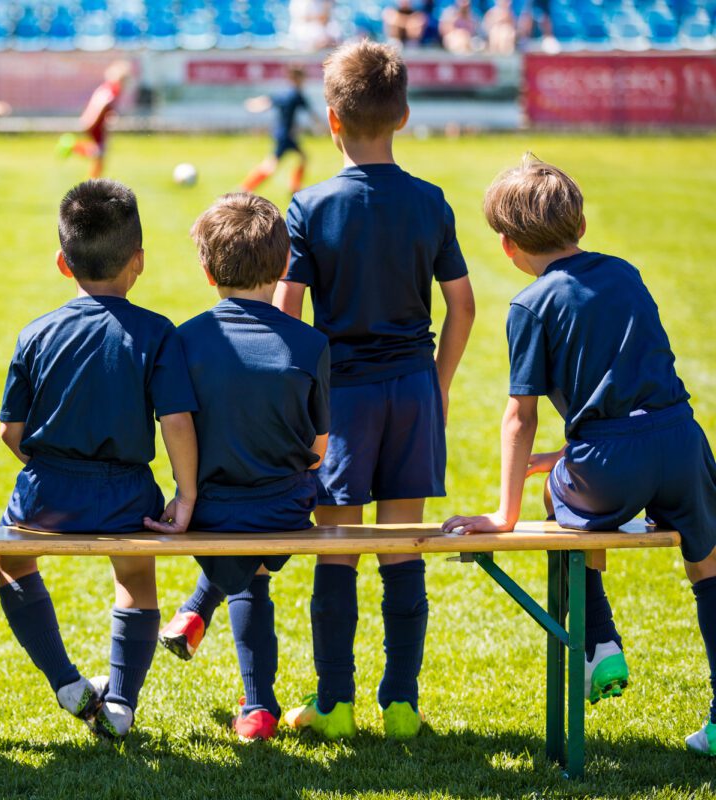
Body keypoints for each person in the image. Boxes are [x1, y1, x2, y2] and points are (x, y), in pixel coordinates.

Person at [443, 155, 716, 756]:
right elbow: (635, 384)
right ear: (581, 228)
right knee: (708, 570)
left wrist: (504, 514)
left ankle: (599, 642)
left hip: (609, 465)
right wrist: (572, 450)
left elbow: (521, 414)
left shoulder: (529, 304)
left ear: (508, 246)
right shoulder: (625, 273)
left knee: (554, 492)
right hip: (681, 441)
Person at [277, 41, 474, 740]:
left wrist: (300, 402)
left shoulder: (309, 205)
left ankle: (334, 704)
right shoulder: (430, 202)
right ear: (405, 116)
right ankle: (401, 704)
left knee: (338, 547)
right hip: (412, 391)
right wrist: (437, 383)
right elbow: (463, 306)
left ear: (331, 119)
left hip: (345, 398)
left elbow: (285, 314)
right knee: (402, 545)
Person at [0, 179, 199, 740]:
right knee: (136, 580)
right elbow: (176, 421)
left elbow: (10, 431)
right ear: (139, 262)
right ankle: (122, 704)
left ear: (63, 263)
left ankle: (66, 682)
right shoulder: (158, 333)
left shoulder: (36, 332)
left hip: (45, 494)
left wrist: (46, 469)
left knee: (10, 566)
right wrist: (185, 494)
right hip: (128, 494)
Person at [167, 193, 331, 742]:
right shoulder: (309, 343)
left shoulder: (184, 340)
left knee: (242, 556)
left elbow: (176, 427)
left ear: (207, 269)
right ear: (285, 265)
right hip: (285, 506)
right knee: (255, 557)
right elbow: (319, 450)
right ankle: (256, 702)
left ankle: (256, 700)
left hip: (209, 506)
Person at [240, 66, 313, 196]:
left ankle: (294, 187)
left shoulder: (285, 93)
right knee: (270, 165)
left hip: (283, 134)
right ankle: (246, 187)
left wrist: (254, 104)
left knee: (303, 158)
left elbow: (268, 101)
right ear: (297, 78)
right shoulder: (296, 95)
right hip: (286, 135)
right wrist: (323, 126)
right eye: (302, 78)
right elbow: (311, 113)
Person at [56, 60, 131, 179]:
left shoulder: (107, 88)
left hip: (97, 123)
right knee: (99, 152)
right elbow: (102, 106)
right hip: (96, 124)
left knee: (99, 152)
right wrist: (94, 122)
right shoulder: (111, 90)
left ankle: (94, 179)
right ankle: (72, 146)